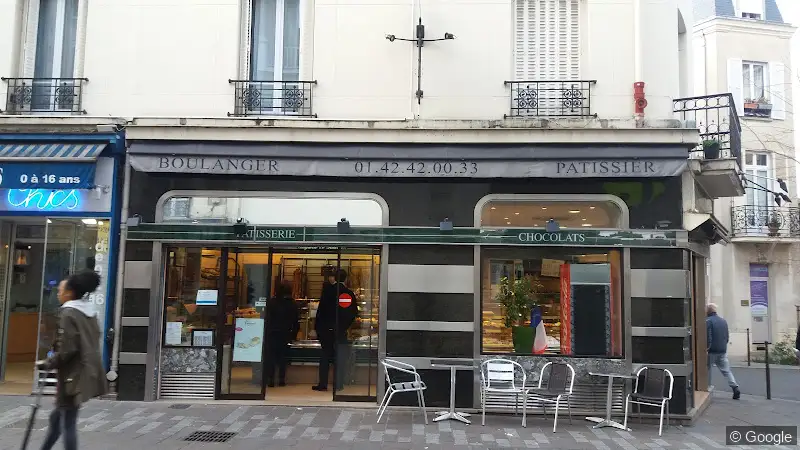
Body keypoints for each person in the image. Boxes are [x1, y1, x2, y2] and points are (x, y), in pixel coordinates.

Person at [38, 270, 108, 450]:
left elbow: (67, 348)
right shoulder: (88, 313)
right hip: (80, 373)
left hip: (71, 376)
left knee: (67, 422)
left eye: (61, 290)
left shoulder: (68, 314)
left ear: (70, 293)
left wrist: (49, 363)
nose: (58, 293)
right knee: (57, 418)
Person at [312, 268, 358, 392]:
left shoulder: (327, 291)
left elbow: (321, 311)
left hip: (325, 329)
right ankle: (338, 384)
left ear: (334, 278)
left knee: (325, 355)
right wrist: (344, 326)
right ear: (346, 279)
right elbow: (353, 312)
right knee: (340, 356)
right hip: (340, 330)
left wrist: (317, 328)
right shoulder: (348, 293)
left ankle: (323, 384)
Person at [265, 280, 299, 387]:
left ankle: (270, 379)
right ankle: (281, 379)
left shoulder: (272, 302)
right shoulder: (292, 304)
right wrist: (294, 334)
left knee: (271, 356)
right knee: (282, 357)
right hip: (285, 333)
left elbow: (268, 318)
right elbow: (295, 321)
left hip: (272, 332)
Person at [706, 303, 740, 400]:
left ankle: (707, 387)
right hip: (722, 350)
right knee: (726, 371)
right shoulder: (723, 321)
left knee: (707, 369)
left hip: (712, 351)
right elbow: (727, 336)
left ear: (708, 311)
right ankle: (735, 387)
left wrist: (707, 348)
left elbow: (708, 336)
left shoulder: (708, 321)